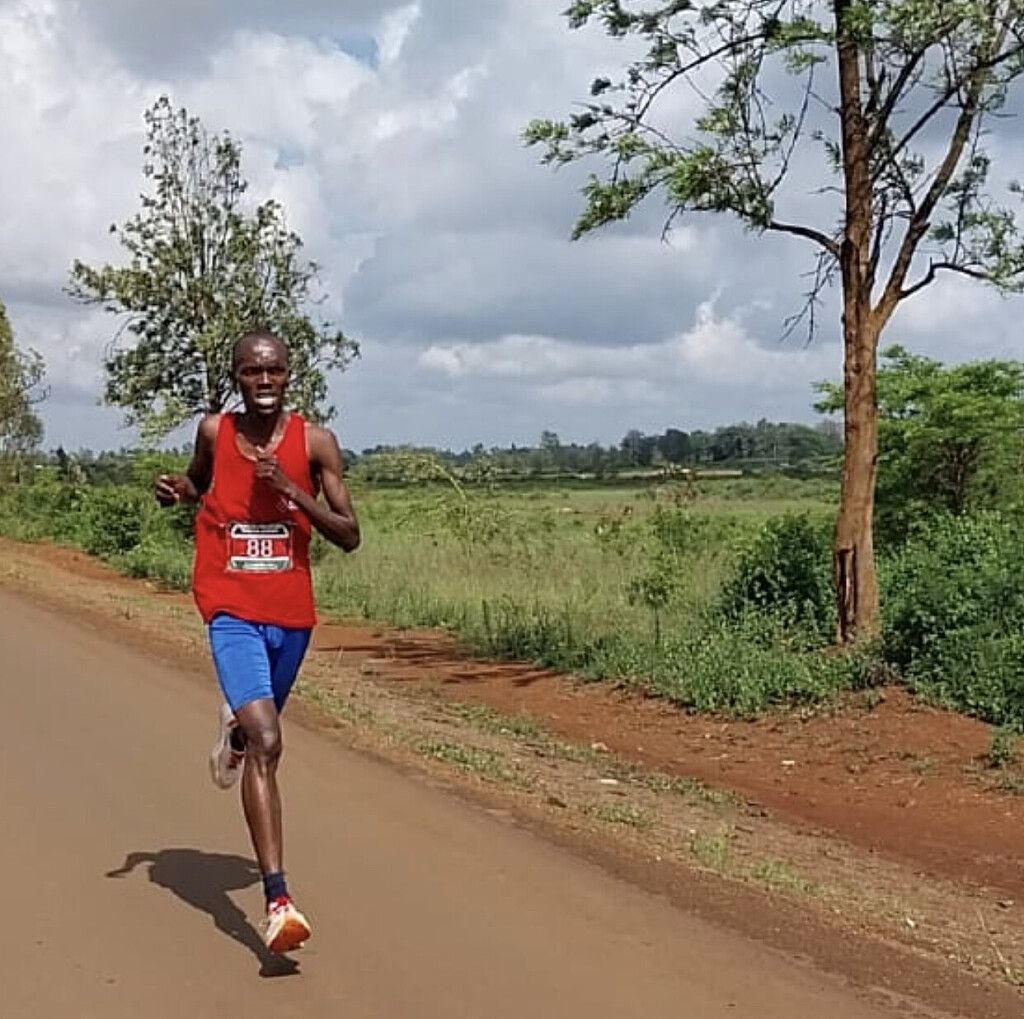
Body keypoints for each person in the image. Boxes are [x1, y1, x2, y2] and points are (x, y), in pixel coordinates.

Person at [154, 329, 360, 954]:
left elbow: (349, 534)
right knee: (270, 741)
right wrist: (179, 490)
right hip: (230, 606)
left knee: (256, 732)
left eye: (273, 371)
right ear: (236, 378)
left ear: (289, 374)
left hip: (291, 613)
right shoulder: (214, 432)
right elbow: (199, 482)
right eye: (251, 371)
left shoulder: (316, 443)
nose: (263, 381)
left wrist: (292, 491)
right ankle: (278, 902)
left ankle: (236, 733)